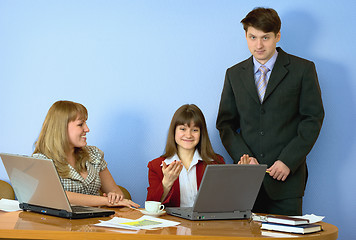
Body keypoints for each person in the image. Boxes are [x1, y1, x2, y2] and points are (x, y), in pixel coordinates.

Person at [216, 7, 324, 215]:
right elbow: (225, 124)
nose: (258, 45)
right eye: (252, 37)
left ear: (277, 36)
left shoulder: (303, 70)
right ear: (246, 36)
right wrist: (243, 157)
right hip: (245, 183)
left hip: (286, 181)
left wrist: (288, 161)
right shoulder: (234, 74)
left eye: (265, 37)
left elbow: (312, 119)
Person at [33, 100, 140, 208]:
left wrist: (114, 196)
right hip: (59, 224)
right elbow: (57, 195)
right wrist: (104, 200)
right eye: (80, 124)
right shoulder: (41, 160)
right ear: (61, 128)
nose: (87, 129)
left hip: (95, 222)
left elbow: (116, 192)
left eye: (86, 123)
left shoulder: (94, 154)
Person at [147, 104, 225, 207]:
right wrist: (166, 183)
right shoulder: (156, 166)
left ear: (201, 133)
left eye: (195, 130)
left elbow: (224, 200)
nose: (188, 135)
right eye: (183, 129)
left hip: (206, 222)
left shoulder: (216, 162)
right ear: (174, 131)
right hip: (173, 222)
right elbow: (151, 206)